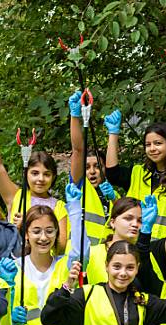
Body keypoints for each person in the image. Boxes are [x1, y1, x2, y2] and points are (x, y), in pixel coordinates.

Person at [0, 112, 69, 251]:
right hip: (16, 264)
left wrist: (27, 227)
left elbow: (61, 247)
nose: (40, 179)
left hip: (47, 267)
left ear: (53, 177)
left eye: (46, 174)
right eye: (34, 173)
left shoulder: (60, 207)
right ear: (25, 174)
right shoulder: (16, 195)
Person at [105, 117, 166, 244]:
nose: (152, 148)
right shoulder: (138, 172)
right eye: (148, 145)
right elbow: (112, 174)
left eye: (158, 143)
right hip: (133, 247)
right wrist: (113, 134)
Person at [69, 94, 117, 248]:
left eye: (97, 166)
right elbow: (78, 150)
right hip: (81, 259)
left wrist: (115, 200)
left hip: (107, 262)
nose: (92, 171)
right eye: (87, 167)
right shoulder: (79, 186)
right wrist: (75, 116)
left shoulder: (113, 194)